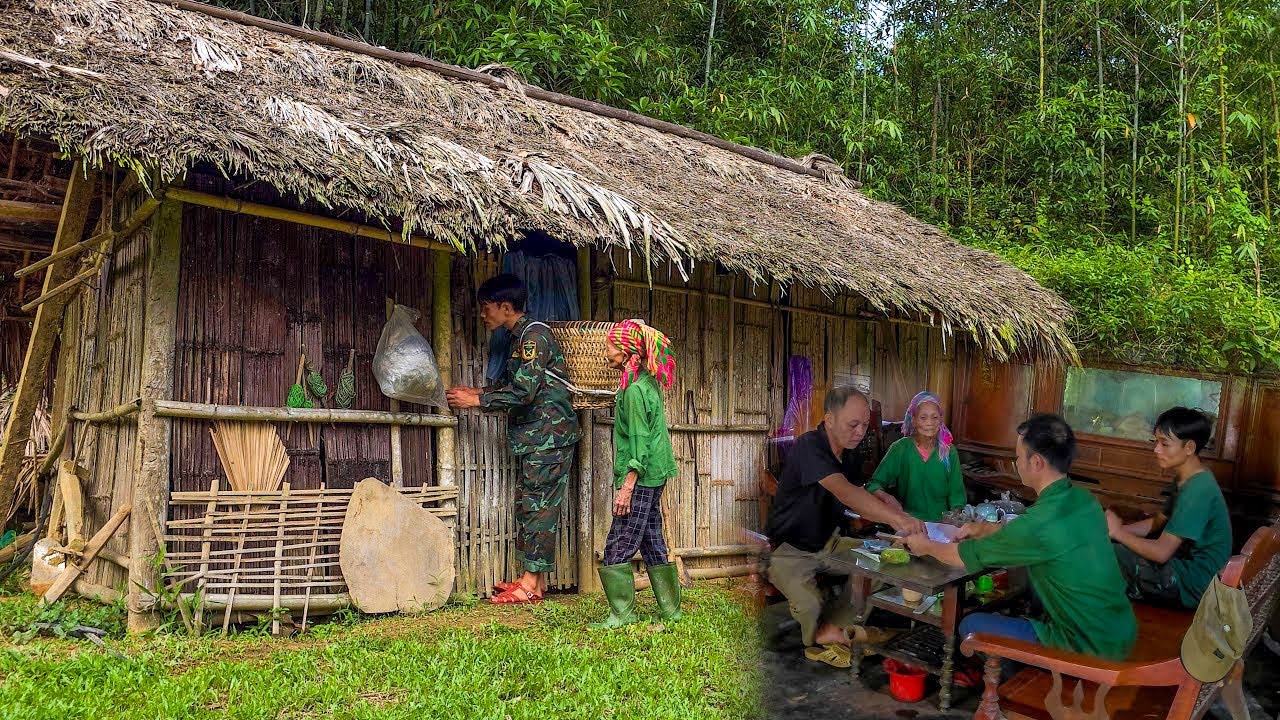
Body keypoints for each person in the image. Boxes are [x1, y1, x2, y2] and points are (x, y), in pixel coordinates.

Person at [904, 414, 1136, 661]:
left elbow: (959, 556)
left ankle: (1019, 683)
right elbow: (1031, 536)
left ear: (1036, 462)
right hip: (1119, 633)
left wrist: (924, 545)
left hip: (1084, 647)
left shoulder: (1038, 523)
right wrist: (985, 529)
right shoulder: (1084, 500)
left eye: (1017, 458)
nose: (1016, 464)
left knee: (970, 626)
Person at [765, 386, 925, 668]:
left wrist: (883, 496)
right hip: (790, 550)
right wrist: (898, 519)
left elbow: (859, 487)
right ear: (829, 419)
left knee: (883, 567)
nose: (861, 431)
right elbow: (846, 493)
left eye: (865, 425)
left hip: (831, 542)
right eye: (853, 424)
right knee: (809, 604)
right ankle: (820, 634)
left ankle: (832, 629)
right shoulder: (809, 446)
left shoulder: (849, 452)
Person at [446, 274, 580, 605]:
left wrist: (476, 402)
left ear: (506, 307)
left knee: (539, 508)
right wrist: (477, 392)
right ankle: (532, 582)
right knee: (531, 504)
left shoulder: (533, 337)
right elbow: (514, 386)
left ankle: (531, 583)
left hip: (549, 437)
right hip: (538, 438)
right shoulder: (519, 338)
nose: (482, 314)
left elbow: (523, 392)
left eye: (485, 307)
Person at [591, 320, 682, 629]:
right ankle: (671, 611)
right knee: (652, 539)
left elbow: (640, 441)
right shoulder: (646, 382)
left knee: (619, 541)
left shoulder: (633, 392)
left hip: (641, 476)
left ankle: (621, 614)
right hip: (655, 473)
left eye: (611, 347)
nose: (607, 353)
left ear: (628, 351)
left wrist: (627, 485)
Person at [1106, 407, 1231, 609]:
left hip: (1194, 583)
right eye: (1156, 441)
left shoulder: (1198, 490)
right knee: (1106, 546)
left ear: (1189, 447)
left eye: (1165, 444)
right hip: (1183, 568)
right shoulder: (1187, 477)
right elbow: (1157, 522)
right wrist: (1108, 531)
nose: (1156, 449)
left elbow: (1161, 553)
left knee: (1107, 555)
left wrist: (1119, 533)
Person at [865, 390, 967, 521]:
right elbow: (873, 484)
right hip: (908, 522)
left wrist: (954, 520)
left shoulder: (949, 451)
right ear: (913, 420)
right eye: (923, 417)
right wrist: (888, 498)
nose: (929, 423)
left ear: (940, 420)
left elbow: (956, 495)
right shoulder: (900, 448)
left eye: (935, 417)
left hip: (942, 525)